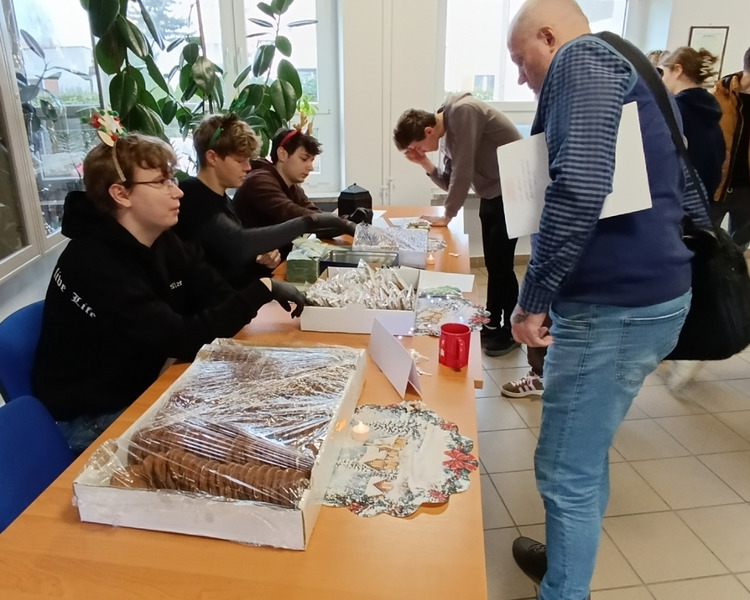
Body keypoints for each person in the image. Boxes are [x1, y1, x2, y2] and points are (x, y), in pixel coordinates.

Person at [505, 2, 711, 599]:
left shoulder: (580, 58)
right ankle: (566, 563)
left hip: (613, 307)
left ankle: (564, 590)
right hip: (643, 295)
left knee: (565, 467)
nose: (520, 74)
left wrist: (532, 299)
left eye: (521, 59)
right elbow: (684, 179)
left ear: (549, 37)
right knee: (585, 452)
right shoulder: (629, 61)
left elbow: (580, 185)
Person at [32, 133, 306, 455]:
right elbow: (181, 338)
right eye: (161, 182)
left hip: (143, 381)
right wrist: (262, 289)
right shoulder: (94, 263)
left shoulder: (159, 237)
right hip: (92, 415)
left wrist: (255, 290)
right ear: (121, 194)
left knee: (266, 406)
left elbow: (213, 292)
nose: (177, 191)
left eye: (172, 179)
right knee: (235, 450)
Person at [392, 95, 522, 357]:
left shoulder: (463, 112)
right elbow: (450, 181)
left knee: (502, 266)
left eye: (419, 147)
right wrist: (424, 163)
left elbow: (463, 170)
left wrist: (448, 214)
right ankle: (492, 323)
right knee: (494, 265)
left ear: (428, 131)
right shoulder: (446, 130)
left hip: (513, 191)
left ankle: (510, 331)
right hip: (492, 194)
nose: (422, 151)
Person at [174, 114, 355, 288]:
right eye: (239, 160)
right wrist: (307, 223)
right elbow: (238, 243)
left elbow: (225, 252)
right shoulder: (190, 196)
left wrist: (262, 255)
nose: (247, 167)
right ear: (212, 157)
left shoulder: (221, 199)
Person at [657, 46, 725, 392]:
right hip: (701, 207)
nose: (660, 79)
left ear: (678, 70)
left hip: (677, 210)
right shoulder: (712, 110)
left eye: (663, 72)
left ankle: (686, 351)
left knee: (679, 285)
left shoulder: (677, 111)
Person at [233, 128, 325, 228]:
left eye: (312, 160)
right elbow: (291, 213)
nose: (310, 167)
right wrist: (332, 220)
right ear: (282, 154)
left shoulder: (294, 188)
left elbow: (316, 215)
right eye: (304, 159)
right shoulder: (259, 182)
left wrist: (332, 220)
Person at [712, 45, 750, 246]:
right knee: (704, 242)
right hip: (717, 185)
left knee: (739, 247)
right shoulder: (720, 95)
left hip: (747, 190)